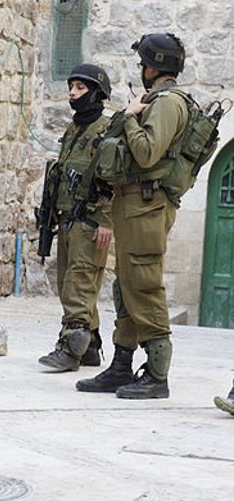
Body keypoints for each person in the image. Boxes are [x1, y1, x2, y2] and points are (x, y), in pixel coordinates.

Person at [76, 34, 191, 399]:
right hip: (135, 205)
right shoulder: (157, 100)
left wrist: (128, 117)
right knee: (125, 286)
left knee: (143, 284)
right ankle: (122, 364)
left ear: (155, 66)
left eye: (143, 64)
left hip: (148, 206)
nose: (141, 70)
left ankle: (157, 374)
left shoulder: (168, 103)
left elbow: (146, 153)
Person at [37, 65, 114, 372]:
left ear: (97, 93)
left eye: (80, 88)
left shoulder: (107, 131)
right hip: (68, 219)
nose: (72, 93)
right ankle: (91, 345)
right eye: (71, 87)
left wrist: (108, 220)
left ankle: (70, 348)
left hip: (92, 221)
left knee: (78, 285)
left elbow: (115, 178)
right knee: (67, 282)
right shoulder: (74, 129)